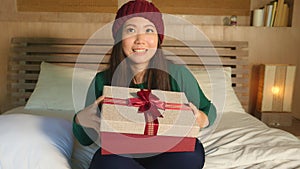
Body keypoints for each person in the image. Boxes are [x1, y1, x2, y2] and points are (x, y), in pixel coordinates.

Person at [73, 0, 216, 168]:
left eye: (149, 30)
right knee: (106, 163)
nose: (140, 39)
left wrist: (201, 118)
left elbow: (208, 109)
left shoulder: (178, 74)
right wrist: (80, 119)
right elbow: (84, 139)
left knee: (191, 155)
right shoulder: (102, 80)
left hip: (170, 150)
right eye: (131, 30)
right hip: (121, 152)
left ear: (158, 38)